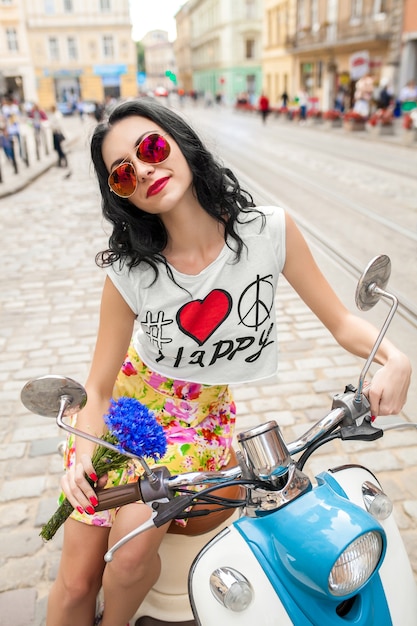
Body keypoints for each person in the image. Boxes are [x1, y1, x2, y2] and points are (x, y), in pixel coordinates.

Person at [50, 98, 411, 626]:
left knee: (127, 559)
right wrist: (84, 448)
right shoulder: (130, 271)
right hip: (123, 422)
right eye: (123, 173)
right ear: (120, 194)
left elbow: (341, 322)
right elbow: (99, 386)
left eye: (152, 147)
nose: (145, 169)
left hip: (198, 431)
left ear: (181, 143)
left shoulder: (269, 231)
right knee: (77, 578)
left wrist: (395, 356)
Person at [49, 105, 69, 169]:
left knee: (59, 148)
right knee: (57, 148)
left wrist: (52, 126)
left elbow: (58, 125)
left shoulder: (56, 115)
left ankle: (64, 161)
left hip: (57, 133)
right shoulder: (55, 115)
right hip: (55, 133)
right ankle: (60, 161)